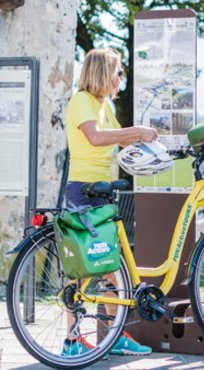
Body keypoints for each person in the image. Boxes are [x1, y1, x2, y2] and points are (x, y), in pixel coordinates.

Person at [62, 48, 158, 357]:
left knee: (109, 266)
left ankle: (113, 333)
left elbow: (120, 138)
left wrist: (157, 142)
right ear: (104, 74)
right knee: (80, 270)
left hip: (102, 192)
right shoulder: (81, 102)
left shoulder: (103, 105)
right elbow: (96, 137)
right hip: (83, 192)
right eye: (118, 72)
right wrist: (136, 131)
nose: (120, 78)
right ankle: (72, 342)